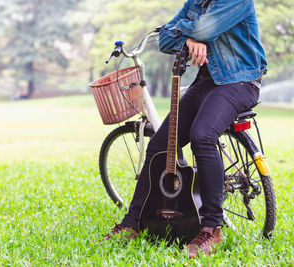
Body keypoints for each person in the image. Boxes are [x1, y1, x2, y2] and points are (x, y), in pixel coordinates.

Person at [102, 0, 267, 258]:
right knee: (158, 145)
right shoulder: (196, 2)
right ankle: (132, 223)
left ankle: (211, 228)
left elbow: (206, 29)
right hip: (206, 82)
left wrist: (187, 32)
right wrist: (188, 41)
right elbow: (165, 39)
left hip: (241, 81)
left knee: (203, 135)